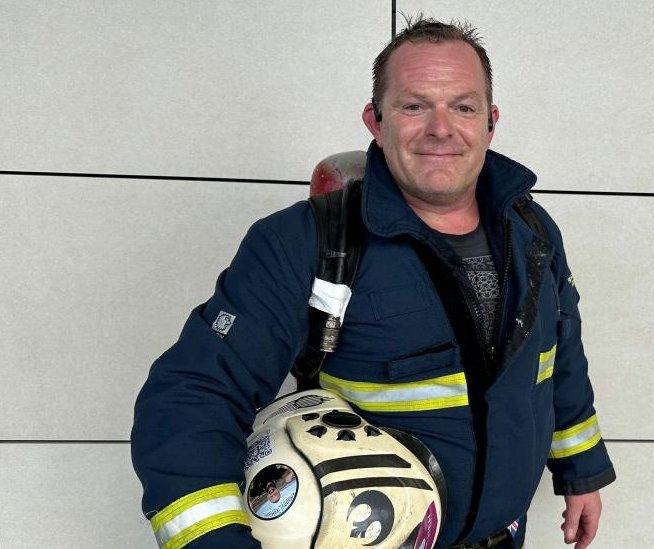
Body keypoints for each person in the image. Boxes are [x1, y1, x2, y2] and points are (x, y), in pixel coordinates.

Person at [131, 16, 615, 549]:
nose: (440, 127)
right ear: (375, 120)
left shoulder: (532, 232)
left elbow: (558, 356)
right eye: (413, 106)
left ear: (490, 122)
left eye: (463, 106)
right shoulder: (304, 242)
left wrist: (581, 471)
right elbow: (193, 394)